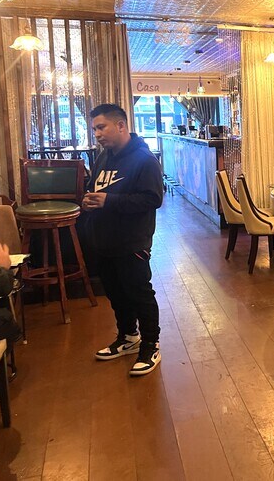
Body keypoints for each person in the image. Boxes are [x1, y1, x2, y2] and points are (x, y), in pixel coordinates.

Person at [82, 104, 164, 376]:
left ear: (120, 125)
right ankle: (128, 337)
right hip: (104, 239)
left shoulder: (144, 160)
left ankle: (150, 345)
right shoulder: (103, 158)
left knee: (140, 294)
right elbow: (95, 188)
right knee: (115, 293)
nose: (97, 134)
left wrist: (109, 201)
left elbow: (153, 199)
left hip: (132, 241)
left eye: (101, 127)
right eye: (94, 129)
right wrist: (89, 199)